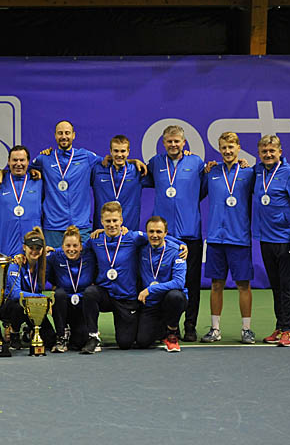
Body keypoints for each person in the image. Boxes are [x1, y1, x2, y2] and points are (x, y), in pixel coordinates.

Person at [81, 201, 186, 353]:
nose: (112, 224)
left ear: (121, 220)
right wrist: (53, 251)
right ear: (102, 221)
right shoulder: (95, 239)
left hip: (126, 299)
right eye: (108, 221)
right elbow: (75, 249)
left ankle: (164, 329)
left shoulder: (133, 237)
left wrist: (181, 244)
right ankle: (93, 337)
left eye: (115, 220)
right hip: (106, 295)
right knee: (90, 293)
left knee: (126, 343)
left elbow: (156, 237)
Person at [142, 124, 207, 342]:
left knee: (191, 283)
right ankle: (170, 326)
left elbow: (204, 189)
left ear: (183, 142)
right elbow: (139, 175)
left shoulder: (196, 163)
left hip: (190, 234)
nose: (173, 145)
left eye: (176, 141)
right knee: (163, 282)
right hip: (165, 237)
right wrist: (133, 161)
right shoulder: (155, 163)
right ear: (163, 143)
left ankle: (190, 325)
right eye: (169, 141)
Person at [252, 135, 290, 347]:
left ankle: (288, 331)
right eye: (264, 151)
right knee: (276, 286)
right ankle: (279, 326)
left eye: (271, 151)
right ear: (259, 153)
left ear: (280, 152)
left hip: (287, 240)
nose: (268, 155)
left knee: (288, 287)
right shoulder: (257, 171)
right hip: (266, 240)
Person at [202, 132, 256, 344]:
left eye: (231, 147)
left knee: (243, 285)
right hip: (216, 239)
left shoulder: (249, 173)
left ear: (238, 148)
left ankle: (246, 330)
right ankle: (215, 329)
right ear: (219, 149)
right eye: (223, 147)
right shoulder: (211, 172)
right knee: (216, 285)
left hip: (239, 239)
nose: (227, 151)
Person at [30, 120, 100, 248]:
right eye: (60, 133)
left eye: (67, 133)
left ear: (74, 135)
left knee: (82, 261)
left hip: (80, 226)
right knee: (52, 260)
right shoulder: (44, 159)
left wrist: (134, 162)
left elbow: (111, 162)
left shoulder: (86, 157)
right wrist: (1, 172)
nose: (64, 136)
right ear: (55, 135)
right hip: (53, 228)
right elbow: (20, 169)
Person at [137, 216, 188, 352]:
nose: (155, 235)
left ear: (166, 233)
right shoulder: (141, 248)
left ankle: (172, 332)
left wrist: (150, 289)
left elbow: (179, 282)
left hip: (168, 300)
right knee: (143, 341)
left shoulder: (177, 251)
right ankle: (161, 328)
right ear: (146, 233)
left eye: (159, 232)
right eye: (151, 231)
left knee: (176, 296)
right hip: (150, 304)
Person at [1, 227, 56, 350]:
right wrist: (42, 298)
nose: (34, 251)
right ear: (24, 247)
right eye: (31, 248)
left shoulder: (43, 264)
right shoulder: (16, 265)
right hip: (14, 306)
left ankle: (29, 330)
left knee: (50, 340)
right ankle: (14, 332)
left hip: (34, 307)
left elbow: (67, 251)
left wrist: (54, 249)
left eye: (38, 248)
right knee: (18, 306)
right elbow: (16, 294)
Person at [46, 225, 96, 352]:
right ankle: (61, 336)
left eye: (75, 246)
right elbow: (38, 258)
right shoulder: (55, 256)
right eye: (68, 246)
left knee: (79, 342)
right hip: (64, 305)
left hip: (82, 306)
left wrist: (101, 230)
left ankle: (89, 334)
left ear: (81, 246)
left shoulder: (90, 254)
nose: (71, 249)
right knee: (59, 294)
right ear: (62, 246)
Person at [0, 145, 43, 256]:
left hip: (33, 248)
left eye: (22, 160)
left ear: (28, 162)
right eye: (15, 160)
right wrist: (1, 172)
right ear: (8, 161)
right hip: (6, 247)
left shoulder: (39, 181)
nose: (18, 163)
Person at [91, 135, 144, 231]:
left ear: (128, 152)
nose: (119, 155)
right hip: (101, 231)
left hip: (128, 232)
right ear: (110, 151)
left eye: (123, 151)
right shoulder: (97, 170)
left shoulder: (137, 171)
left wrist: (132, 161)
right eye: (116, 151)